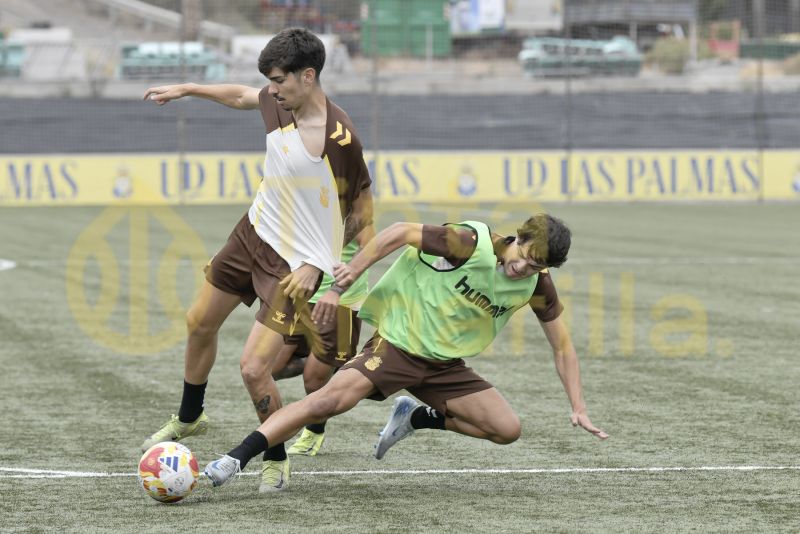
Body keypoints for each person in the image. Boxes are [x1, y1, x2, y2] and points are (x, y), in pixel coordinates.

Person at [202, 213, 608, 489]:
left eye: (537, 266)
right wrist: (350, 274)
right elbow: (398, 232)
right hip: (396, 346)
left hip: (445, 367)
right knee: (327, 402)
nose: (525, 269)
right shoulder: (467, 243)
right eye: (525, 257)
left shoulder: (536, 284)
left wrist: (578, 406)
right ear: (517, 238)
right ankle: (236, 459)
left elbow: (563, 346)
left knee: (507, 430)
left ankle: (414, 417)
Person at [138, 28, 374, 493]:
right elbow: (242, 96)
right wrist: (189, 89)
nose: (272, 89)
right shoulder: (277, 100)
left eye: (279, 80)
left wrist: (319, 265)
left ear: (308, 77)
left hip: (293, 265)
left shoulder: (337, 139)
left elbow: (360, 210)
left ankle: (275, 458)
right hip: (253, 234)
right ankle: (190, 417)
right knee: (199, 322)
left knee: (252, 369)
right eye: (269, 80)